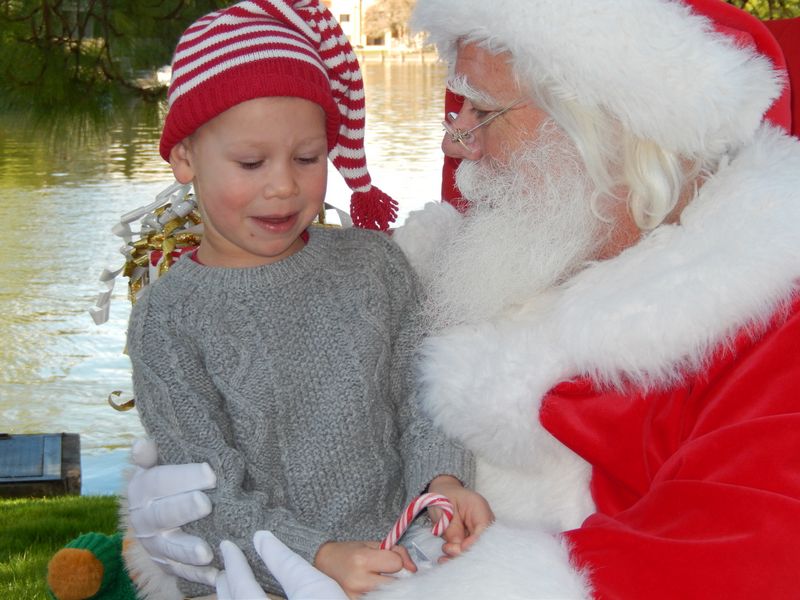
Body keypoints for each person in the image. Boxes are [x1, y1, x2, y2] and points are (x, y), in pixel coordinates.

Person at [125, 0, 800, 597]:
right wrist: (197, 540)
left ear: (603, 120)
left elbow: (739, 560)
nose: (455, 139)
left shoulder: (768, 332)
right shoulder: (464, 266)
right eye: (459, 106)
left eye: (484, 109)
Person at [121, 1, 492, 599]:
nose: (284, 186)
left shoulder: (375, 264)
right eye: (250, 161)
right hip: (262, 579)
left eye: (306, 157)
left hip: (409, 566)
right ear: (185, 157)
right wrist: (316, 556)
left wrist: (441, 479)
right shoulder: (169, 319)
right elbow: (206, 489)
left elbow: (421, 394)